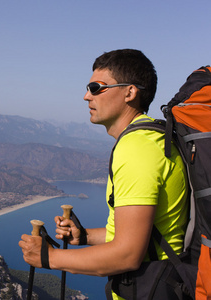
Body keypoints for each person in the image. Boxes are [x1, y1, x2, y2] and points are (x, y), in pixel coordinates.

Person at [19, 49, 189, 299]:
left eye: (96, 87)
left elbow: (127, 254)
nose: (86, 96)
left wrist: (49, 257)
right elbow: (138, 232)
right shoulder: (152, 138)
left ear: (130, 92)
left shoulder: (137, 150)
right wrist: (85, 235)